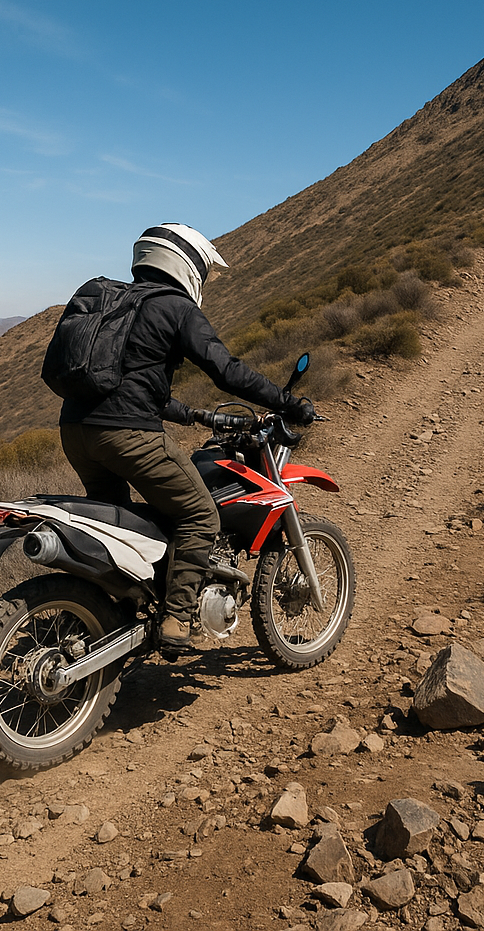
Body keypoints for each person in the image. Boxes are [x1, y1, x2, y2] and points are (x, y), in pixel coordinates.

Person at [57, 223, 315, 649]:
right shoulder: (176, 308)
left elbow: (135, 387)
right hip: (128, 436)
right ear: (188, 266)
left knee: (121, 524)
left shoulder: (118, 303)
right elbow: (227, 371)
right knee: (199, 516)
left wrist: (195, 415)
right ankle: (178, 618)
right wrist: (286, 402)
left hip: (76, 432)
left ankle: (106, 612)